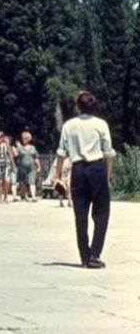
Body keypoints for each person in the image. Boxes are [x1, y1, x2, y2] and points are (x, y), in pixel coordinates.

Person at [55, 90, 115, 269]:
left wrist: (57, 175)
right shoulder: (101, 124)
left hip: (78, 169)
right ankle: (95, 254)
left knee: (80, 215)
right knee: (102, 214)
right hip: (97, 169)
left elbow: (60, 153)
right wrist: (107, 176)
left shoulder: (69, 125)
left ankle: (84, 256)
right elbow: (108, 153)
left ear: (78, 106)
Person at [14, 130, 40, 201]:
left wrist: (38, 166)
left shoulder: (32, 147)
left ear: (29, 139)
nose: (24, 139)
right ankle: (25, 196)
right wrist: (15, 148)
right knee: (23, 182)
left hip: (31, 167)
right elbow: (15, 155)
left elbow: (36, 157)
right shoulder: (20, 147)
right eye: (23, 138)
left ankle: (33, 196)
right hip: (22, 167)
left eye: (25, 138)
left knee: (32, 182)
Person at [0, 132, 16, 203]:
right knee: (0, 181)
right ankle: (0, 198)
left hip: (6, 164)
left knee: (7, 180)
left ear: (3, 137)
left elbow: (10, 155)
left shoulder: (7, 145)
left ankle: (5, 196)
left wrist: (13, 165)